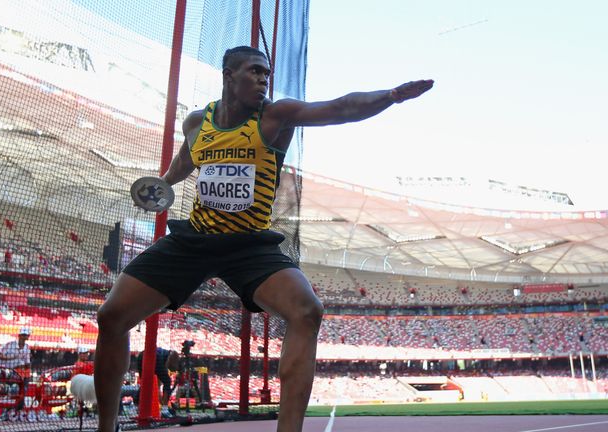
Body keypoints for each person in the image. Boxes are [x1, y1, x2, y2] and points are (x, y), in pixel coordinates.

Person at [94, 45, 433, 432]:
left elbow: (340, 108)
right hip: (196, 239)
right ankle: (108, 428)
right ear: (228, 75)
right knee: (111, 317)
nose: (262, 80)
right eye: (254, 71)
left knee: (307, 311)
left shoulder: (275, 116)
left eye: (266, 74)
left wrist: (390, 96)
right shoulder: (196, 122)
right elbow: (188, 158)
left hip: (249, 245)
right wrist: (163, 184)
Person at [0, 327, 31, 420]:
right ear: (19, 335)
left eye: (26, 335)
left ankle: (14, 412)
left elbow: (27, 363)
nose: (24, 337)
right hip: (2, 371)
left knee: (18, 391)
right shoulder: (9, 345)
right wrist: (11, 358)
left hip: (15, 373)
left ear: (28, 337)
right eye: (23, 335)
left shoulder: (27, 348)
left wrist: (28, 376)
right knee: (0, 392)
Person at [135, 348, 179, 413]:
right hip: (154, 357)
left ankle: (137, 403)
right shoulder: (166, 357)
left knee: (145, 383)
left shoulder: (164, 354)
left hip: (142, 356)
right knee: (167, 381)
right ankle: (165, 409)